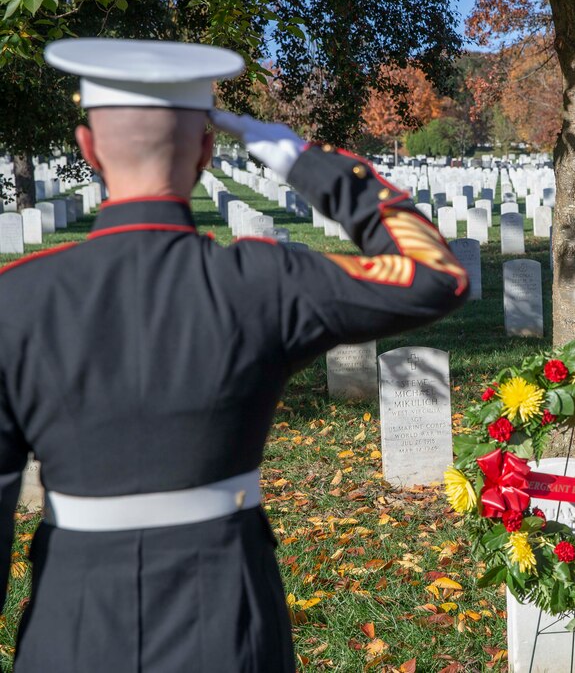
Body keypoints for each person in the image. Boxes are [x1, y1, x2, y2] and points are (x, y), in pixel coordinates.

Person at [0, 37, 468, 671]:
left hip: (73, 619)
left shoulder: (17, 298)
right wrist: (306, 163)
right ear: (205, 150)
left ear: (89, 149)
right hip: (225, 610)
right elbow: (435, 275)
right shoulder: (262, 282)